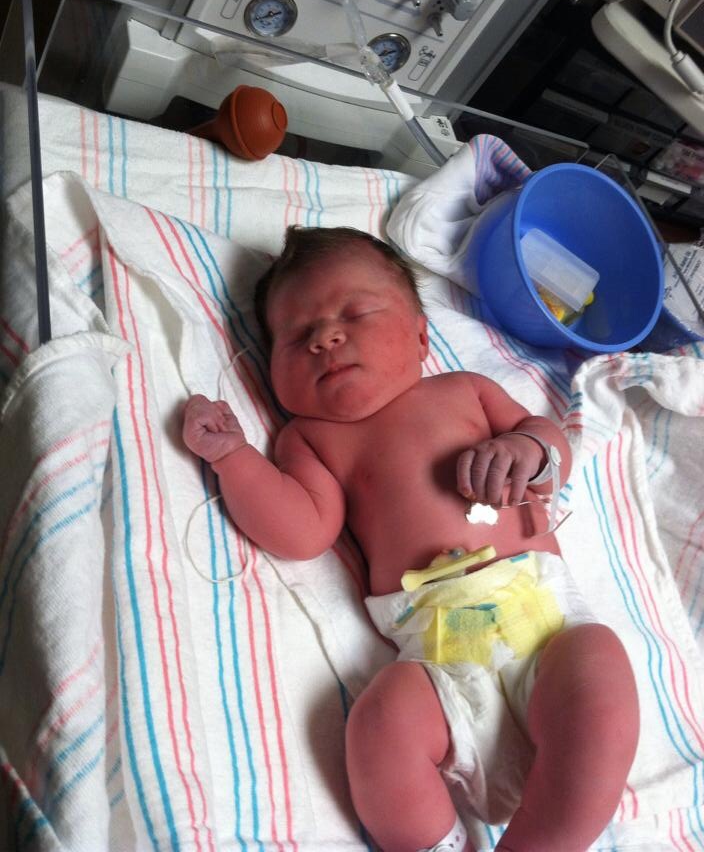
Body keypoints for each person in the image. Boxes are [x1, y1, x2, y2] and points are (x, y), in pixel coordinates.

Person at [182, 225, 639, 852]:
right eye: (295, 335)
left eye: (354, 314)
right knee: (381, 720)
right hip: (438, 654)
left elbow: (549, 443)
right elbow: (302, 531)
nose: (325, 338)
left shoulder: (466, 391)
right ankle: (434, 842)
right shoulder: (310, 439)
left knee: (602, 670)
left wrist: (527, 449)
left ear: (422, 336)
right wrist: (234, 458)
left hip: (545, 629)